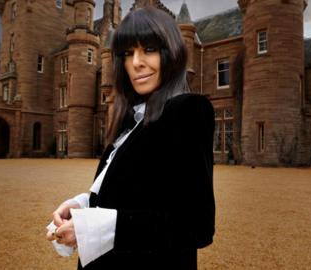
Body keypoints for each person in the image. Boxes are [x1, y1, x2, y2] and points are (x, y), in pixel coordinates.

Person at [46, 7, 215, 270]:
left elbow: (196, 224)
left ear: (171, 54)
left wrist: (91, 228)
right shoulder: (132, 120)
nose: (136, 62)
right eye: (127, 53)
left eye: (148, 49)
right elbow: (138, 193)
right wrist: (83, 204)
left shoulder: (188, 110)